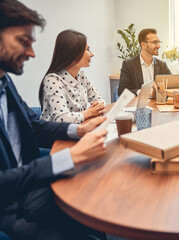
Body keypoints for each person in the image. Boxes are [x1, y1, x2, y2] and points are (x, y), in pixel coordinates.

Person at [0, 0, 108, 239]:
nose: (32, 53)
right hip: (9, 209)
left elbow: (33, 124)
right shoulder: (52, 79)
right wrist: (69, 157)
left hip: (30, 184)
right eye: (22, 41)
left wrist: (79, 131)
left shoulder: (5, 83)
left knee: (96, 193)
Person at [39, 29, 106, 123]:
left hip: (77, 130)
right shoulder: (53, 80)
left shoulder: (81, 75)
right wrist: (90, 112)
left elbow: (100, 99)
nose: (91, 54)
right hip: (56, 136)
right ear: (73, 53)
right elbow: (62, 119)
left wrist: (98, 105)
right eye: (87, 49)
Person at [118, 28, 171, 96]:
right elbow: (121, 91)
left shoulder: (162, 65)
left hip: (157, 105)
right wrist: (140, 92)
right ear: (143, 45)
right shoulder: (128, 65)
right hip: (137, 105)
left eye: (159, 42)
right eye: (155, 42)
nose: (158, 46)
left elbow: (171, 86)